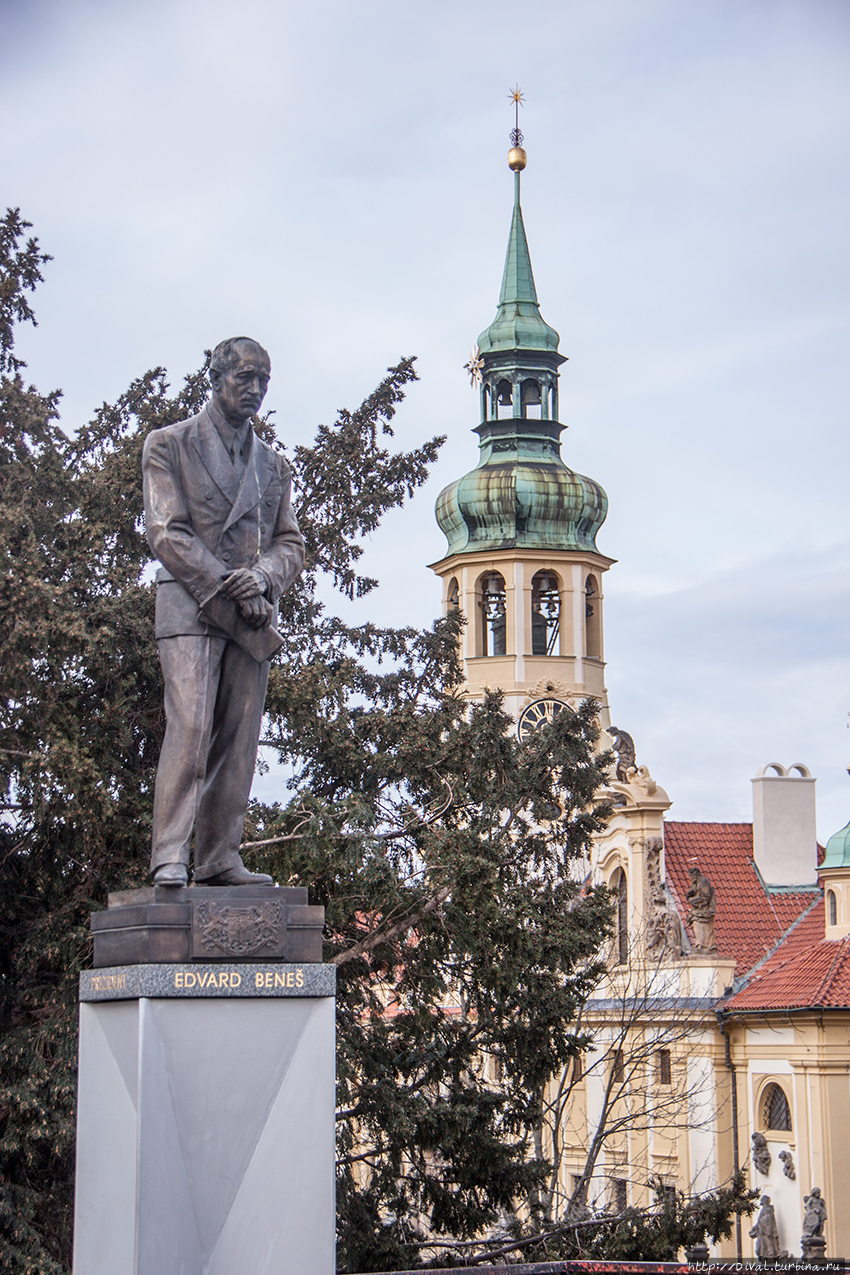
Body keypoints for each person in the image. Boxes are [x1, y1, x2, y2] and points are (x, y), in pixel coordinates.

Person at [142, 336, 304, 886]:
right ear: (216, 379)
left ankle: (217, 858)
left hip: (251, 616)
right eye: (244, 378)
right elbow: (167, 531)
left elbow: (290, 543)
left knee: (239, 740)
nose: (255, 389)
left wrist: (262, 576)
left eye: (263, 378)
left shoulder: (273, 465)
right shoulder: (169, 445)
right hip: (192, 607)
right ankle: (170, 854)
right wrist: (234, 586)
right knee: (189, 729)